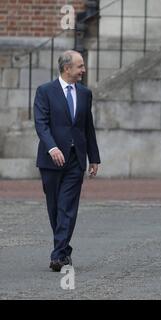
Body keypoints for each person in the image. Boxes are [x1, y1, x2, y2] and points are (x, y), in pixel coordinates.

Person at [34, 50, 101, 272]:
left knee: (67, 207)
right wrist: (52, 147)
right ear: (67, 68)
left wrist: (94, 157)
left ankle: (57, 255)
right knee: (55, 207)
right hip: (50, 160)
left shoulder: (85, 93)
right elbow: (41, 123)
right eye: (80, 66)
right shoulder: (45, 91)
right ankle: (63, 251)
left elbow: (87, 127)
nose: (84, 70)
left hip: (75, 159)